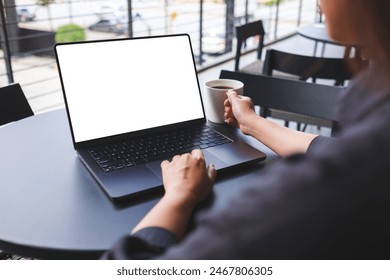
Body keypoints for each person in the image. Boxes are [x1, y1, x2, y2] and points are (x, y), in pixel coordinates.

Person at [102, 0, 390, 259]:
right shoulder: (372, 141)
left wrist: (178, 196)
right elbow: (338, 150)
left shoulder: (324, 192)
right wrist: (251, 123)